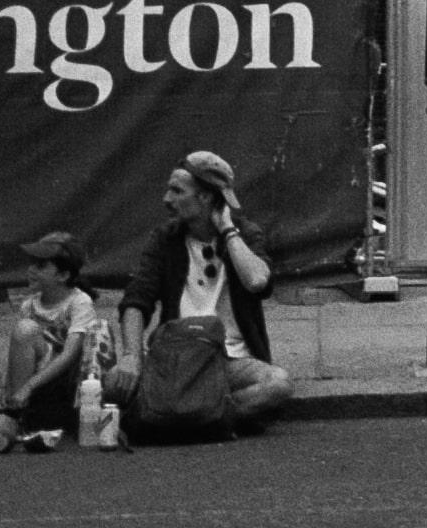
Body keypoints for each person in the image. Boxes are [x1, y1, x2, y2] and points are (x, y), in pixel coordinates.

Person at [111, 151, 293, 425]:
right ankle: (207, 416)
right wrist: (130, 357)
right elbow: (137, 301)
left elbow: (257, 281)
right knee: (111, 384)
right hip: (174, 359)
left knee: (276, 384)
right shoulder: (165, 239)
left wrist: (228, 230)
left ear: (205, 198)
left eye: (177, 191)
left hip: (229, 359)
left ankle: (178, 416)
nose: (166, 199)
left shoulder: (245, 234)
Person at [0, 229, 107, 452]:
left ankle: (16, 417)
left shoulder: (79, 302)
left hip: (67, 383)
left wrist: (28, 387)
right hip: (36, 385)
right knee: (24, 329)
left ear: (63, 275)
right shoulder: (28, 305)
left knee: (27, 329)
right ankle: (14, 417)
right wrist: (10, 393)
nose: (31, 270)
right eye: (32, 263)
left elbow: (70, 354)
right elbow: (17, 355)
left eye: (40, 266)